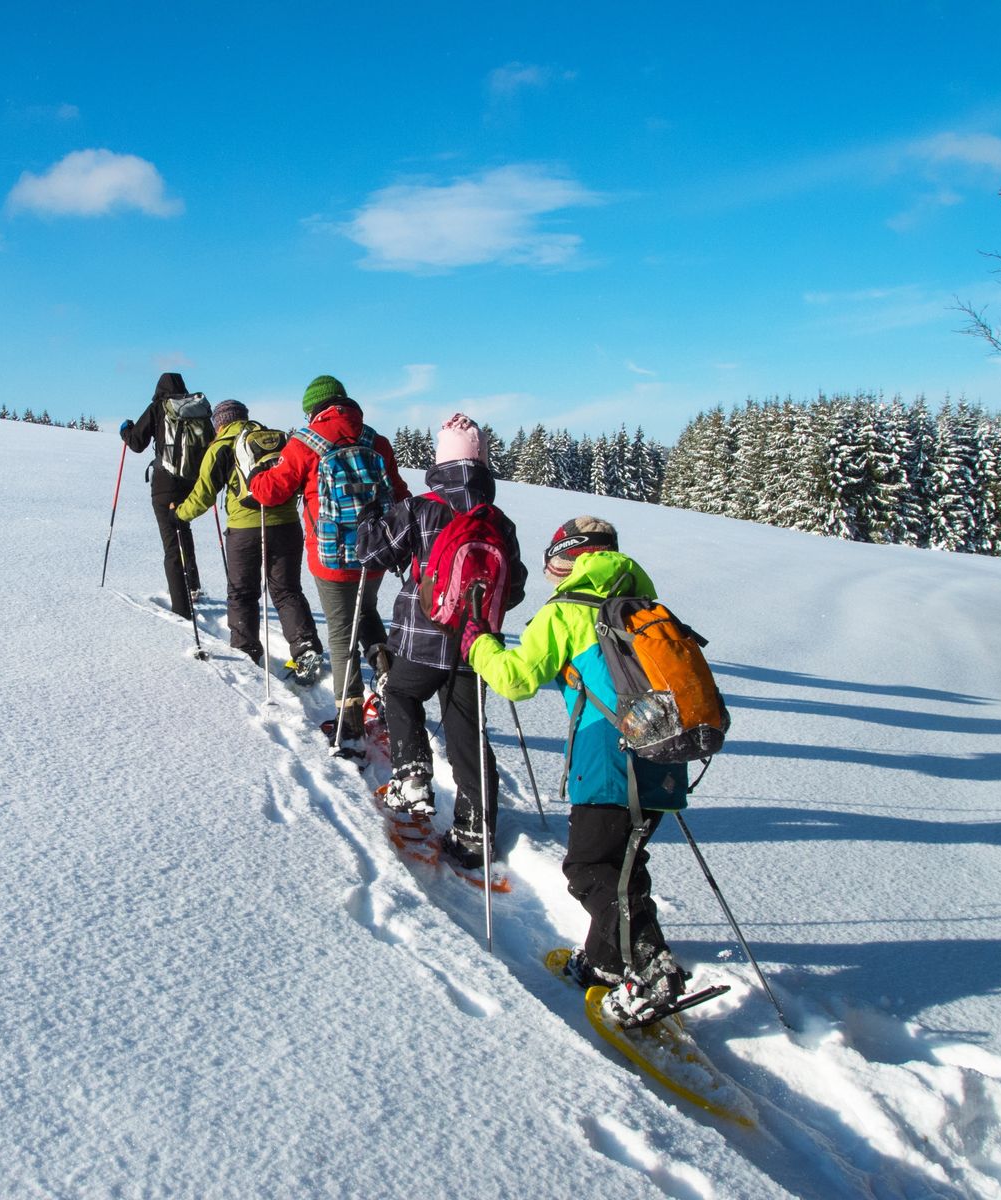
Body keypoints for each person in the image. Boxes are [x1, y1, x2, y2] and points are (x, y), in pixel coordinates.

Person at [464, 516, 690, 1020]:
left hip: (608, 754)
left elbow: (517, 680)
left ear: (568, 557)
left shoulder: (568, 610)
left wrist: (479, 641)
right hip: (665, 753)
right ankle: (607, 961)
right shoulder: (645, 604)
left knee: (588, 867)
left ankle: (652, 965)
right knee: (624, 862)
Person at [356, 414, 526, 871]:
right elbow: (517, 586)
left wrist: (371, 516)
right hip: (477, 646)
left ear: (441, 460)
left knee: (401, 692)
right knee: (467, 732)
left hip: (423, 638)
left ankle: (412, 772)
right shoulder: (498, 520)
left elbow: (371, 553)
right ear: (482, 462)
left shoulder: (421, 507)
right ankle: (475, 831)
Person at [247, 375, 409, 737]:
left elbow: (272, 492)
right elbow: (398, 493)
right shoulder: (375, 440)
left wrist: (256, 477)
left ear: (313, 411)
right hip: (376, 554)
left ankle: (349, 717)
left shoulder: (305, 443)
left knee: (339, 631)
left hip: (331, 557)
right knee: (366, 613)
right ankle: (386, 676)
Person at [173, 399, 322, 675]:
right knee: (287, 590)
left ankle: (246, 652)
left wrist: (181, 514)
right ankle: (306, 648)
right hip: (287, 525)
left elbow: (203, 495)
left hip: (244, 530)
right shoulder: (274, 440)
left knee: (242, 593)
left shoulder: (221, 446)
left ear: (220, 423)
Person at [120, 372, 207, 617]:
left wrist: (125, 430)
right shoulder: (195, 409)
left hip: (165, 483)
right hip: (191, 483)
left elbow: (137, 443)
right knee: (184, 528)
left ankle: (181, 608)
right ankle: (193, 586)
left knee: (171, 542)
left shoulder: (159, 407)